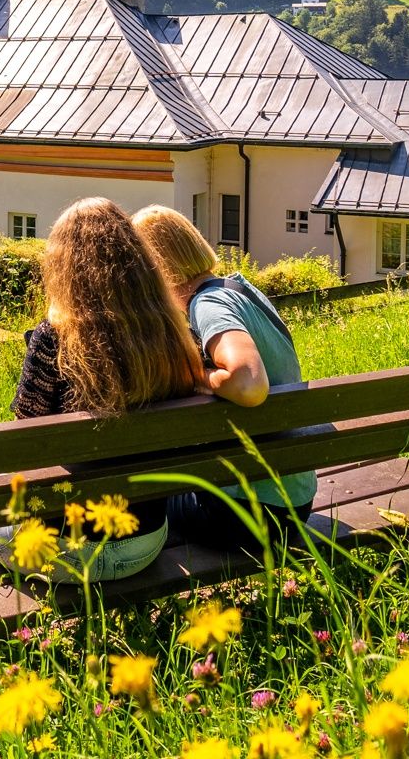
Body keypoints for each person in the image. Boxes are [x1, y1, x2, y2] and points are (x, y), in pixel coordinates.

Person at [0, 196, 205, 581]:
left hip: (68, 552)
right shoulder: (176, 336)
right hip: (147, 541)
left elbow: (22, 441)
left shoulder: (54, 339)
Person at [131, 204, 317, 555]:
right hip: (292, 502)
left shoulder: (209, 305)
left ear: (158, 268)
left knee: (142, 499)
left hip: (247, 515)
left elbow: (247, 382)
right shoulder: (241, 290)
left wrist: (192, 376)